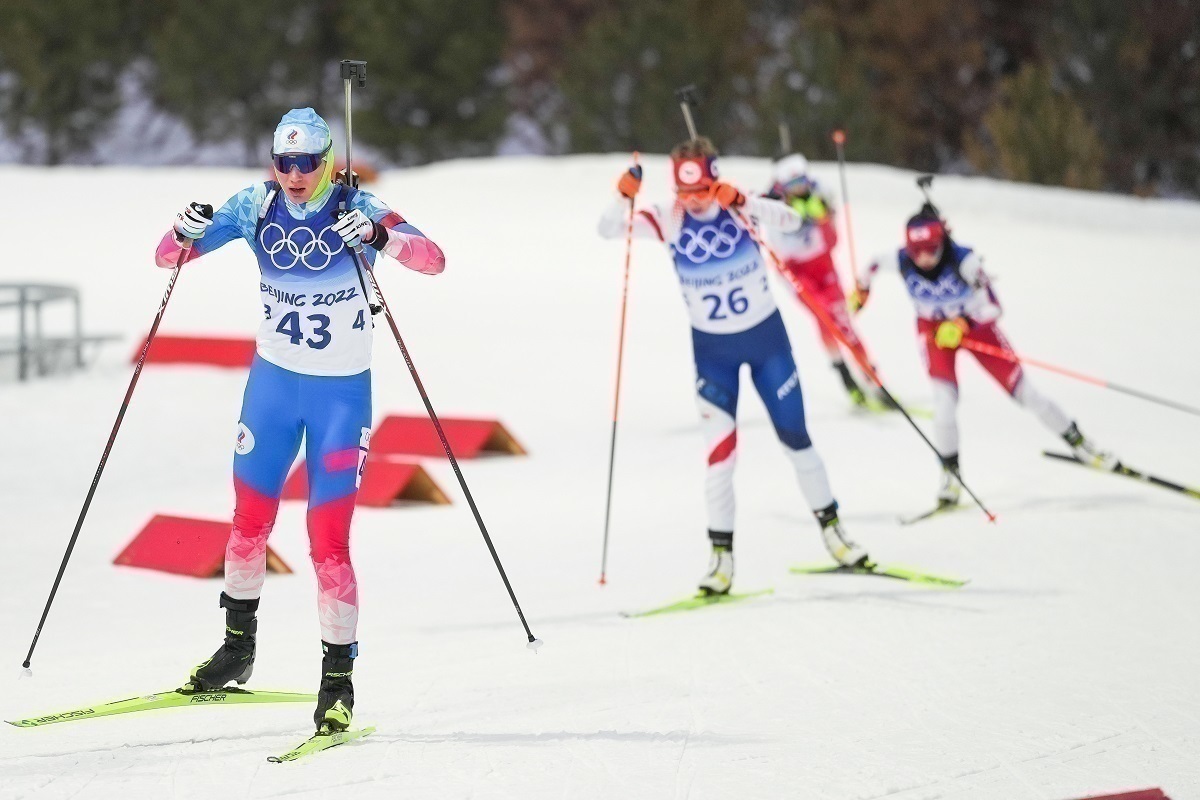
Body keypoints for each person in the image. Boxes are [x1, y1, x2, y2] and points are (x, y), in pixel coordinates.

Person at [154, 108, 445, 732]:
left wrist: (378, 239)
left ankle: (337, 681)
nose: (292, 174)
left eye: (305, 162)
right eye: (282, 161)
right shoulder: (253, 205)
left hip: (340, 398)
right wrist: (181, 232)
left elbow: (433, 259)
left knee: (328, 542)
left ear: (327, 160)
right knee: (247, 522)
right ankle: (237, 648)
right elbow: (166, 258)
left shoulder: (359, 205)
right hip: (273, 388)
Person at [597, 138, 869, 595]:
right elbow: (608, 229)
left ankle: (835, 533)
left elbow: (793, 219)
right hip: (713, 354)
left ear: (715, 178)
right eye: (686, 192)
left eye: (702, 188)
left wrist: (744, 201)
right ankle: (720, 561)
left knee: (797, 440)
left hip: (767, 345)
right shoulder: (667, 217)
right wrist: (623, 194)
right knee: (720, 459)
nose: (695, 199)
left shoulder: (740, 206)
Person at [852, 203, 1115, 507]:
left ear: (942, 243)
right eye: (916, 251)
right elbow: (871, 266)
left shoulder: (965, 262)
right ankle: (951, 475)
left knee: (1027, 394)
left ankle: (1080, 443)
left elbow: (995, 306)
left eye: (931, 249)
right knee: (944, 407)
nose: (923, 258)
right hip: (935, 336)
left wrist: (964, 323)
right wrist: (861, 292)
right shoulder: (901, 260)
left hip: (976, 330)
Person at [764, 154, 883, 407]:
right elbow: (781, 249)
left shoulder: (821, 195)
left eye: (802, 182)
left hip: (823, 266)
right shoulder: (774, 207)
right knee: (824, 318)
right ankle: (845, 376)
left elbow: (832, 242)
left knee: (842, 320)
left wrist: (824, 219)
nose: (799, 189)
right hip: (795, 272)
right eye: (792, 184)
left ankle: (872, 378)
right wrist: (793, 219)